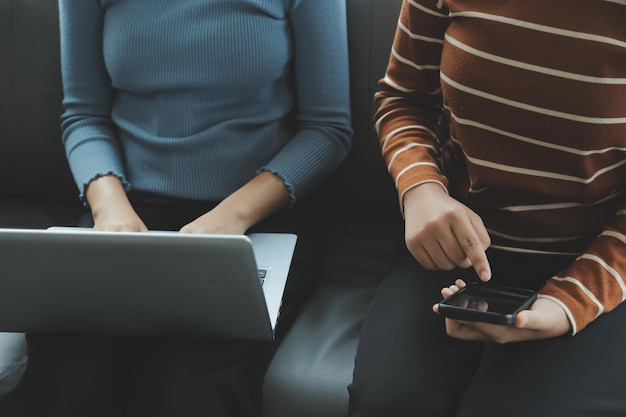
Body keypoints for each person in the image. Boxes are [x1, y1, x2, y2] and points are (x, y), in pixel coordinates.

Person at [0, 0, 351, 416]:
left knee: (186, 393)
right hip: (125, 214)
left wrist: (229, 219)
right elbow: (83, 115)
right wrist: (110, 208)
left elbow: (327, 130)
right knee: (69, 382)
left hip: (257, 217)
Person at [348, 1, 626, 416]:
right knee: (389, 404)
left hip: (599, 263)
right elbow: (402, 97)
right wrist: (421, 190)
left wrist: (569, 302)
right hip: (454, 247)